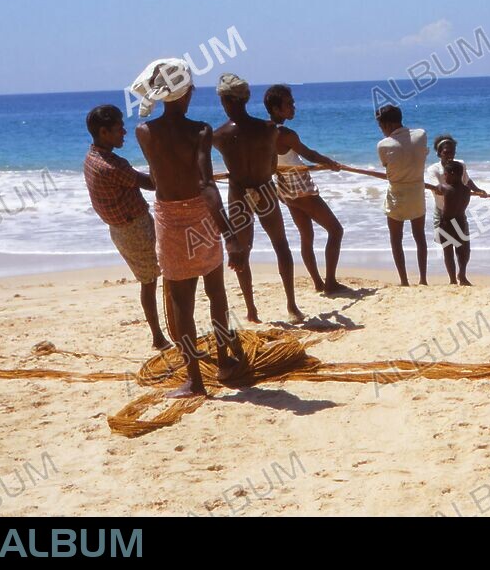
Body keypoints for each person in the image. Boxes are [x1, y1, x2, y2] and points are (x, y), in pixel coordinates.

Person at [131, 59, 247, 398]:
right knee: (216, 294)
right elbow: (207, 185)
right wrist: (231, 236)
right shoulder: (201, 131)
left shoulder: (144, 133)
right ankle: (224, 362)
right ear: (188, 92)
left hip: (168, 220)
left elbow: (157, 177)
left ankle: (195, 380)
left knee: (182, 302)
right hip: (201, 217)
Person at [213, 74, 303, 323]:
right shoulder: (269, 130)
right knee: (280, 245)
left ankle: (251, 309)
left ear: (227, 100)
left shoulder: (219, 135)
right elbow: (273, 164)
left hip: (239, 193)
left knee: (242, 250)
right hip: (264, 189)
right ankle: (292, 305)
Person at [83, 105, 170, 351]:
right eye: (118, 128)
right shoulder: (112, 166)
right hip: (135, 229)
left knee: (149, 279)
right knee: (155, 279)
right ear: (103, 132)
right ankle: (159, 336)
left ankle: (161, 333)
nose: (124, 132)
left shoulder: (92, 157)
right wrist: (157, 154)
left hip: (120, 229)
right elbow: (151, 184)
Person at [263, 84, 351, 296]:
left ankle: (319, 283)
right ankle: (329, 283)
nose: (293, 107)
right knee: (336, 230)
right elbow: (309, 154)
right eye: (289, 104)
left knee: (306, 236)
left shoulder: (263, 131)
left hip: (284, 188)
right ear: (276, 109)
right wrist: (330, 163)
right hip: (300, 188)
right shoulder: (285, 133)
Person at [375, 104, 428, 286]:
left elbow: (386, 166)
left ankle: (404, 281)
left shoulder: (383, 145)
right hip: (417, 191)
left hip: (397, 192)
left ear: (388, 124)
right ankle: (423, 279)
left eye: (381, 126)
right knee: (419, 236)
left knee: (396, 239)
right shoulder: (421, 134)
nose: (382, 131)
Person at [425, 134, 486, 245]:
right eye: (446, 152)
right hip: (442, 212)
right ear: (439, 153)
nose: (450, 156)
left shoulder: (460, 165)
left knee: (462, 246)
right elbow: (438, 189)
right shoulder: (433, 170)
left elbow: (467, 180)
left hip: (459, 212)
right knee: (445, 245)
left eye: (452, 152)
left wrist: (478, 190)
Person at [436, 161, 472, 285]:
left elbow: (438, 189)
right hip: (461, 222)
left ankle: (452, 279)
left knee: (448, 252)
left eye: (445, 174)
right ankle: (462, 273)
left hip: (447, 224)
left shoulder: (446, 188)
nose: (444, 177)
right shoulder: (467, 189)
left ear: (452, 174)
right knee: (463, 251)